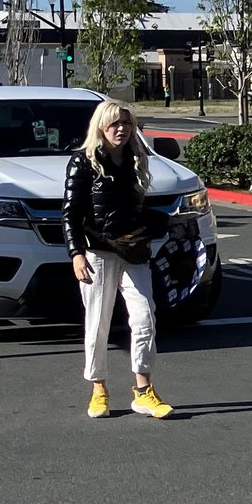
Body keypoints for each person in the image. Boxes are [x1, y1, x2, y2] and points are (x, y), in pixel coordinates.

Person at [64, 100, 174, 420]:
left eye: (126, 123)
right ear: (101, 126)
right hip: (97, 252)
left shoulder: (135, 160)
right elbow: (69, 214)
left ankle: (143, 391)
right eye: (114, 124)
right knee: (97, 322)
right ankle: (98, 389)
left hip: (133, 250)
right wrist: (76, 254)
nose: (121, 129)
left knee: (144, 317)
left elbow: (137, 208)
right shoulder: (83, 162)